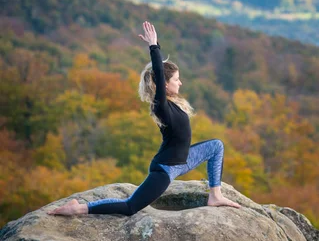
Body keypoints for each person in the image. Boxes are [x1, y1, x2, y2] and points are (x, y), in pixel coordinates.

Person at [48, 21, 240, 216]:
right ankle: (78, 208)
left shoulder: (175, 103)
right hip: (165, 169)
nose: (180, 82)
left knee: (216, 146)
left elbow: (161, 74)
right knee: (130, 207)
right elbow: (158, 71)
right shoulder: (161, 107)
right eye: (176, 79)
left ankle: (215, 196)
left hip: (184, 161)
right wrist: (153, 46)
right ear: (164, 84)